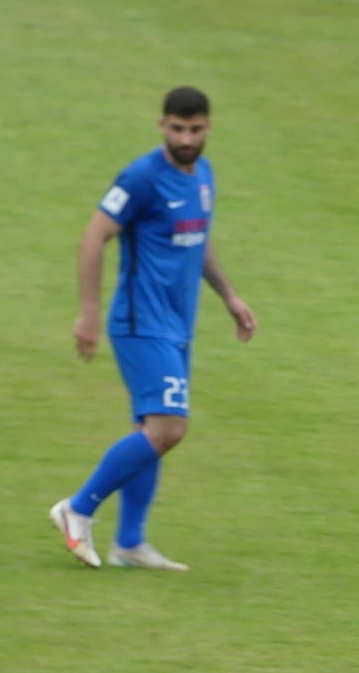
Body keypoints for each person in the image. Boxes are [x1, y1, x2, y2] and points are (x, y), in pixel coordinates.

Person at [51, 86, 257, 572]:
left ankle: (129, 543)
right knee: (169, 428)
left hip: (177, 325)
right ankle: (77, 509)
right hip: (140, 324)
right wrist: (88, 312)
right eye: (177, 129)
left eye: (195, 130)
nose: (186, 139)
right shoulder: (142, 177)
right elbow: (94, 234)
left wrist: (229, 297)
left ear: (208, 128)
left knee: (150, 432)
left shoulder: (203, 175)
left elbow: (198, 239)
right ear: (162, 125)